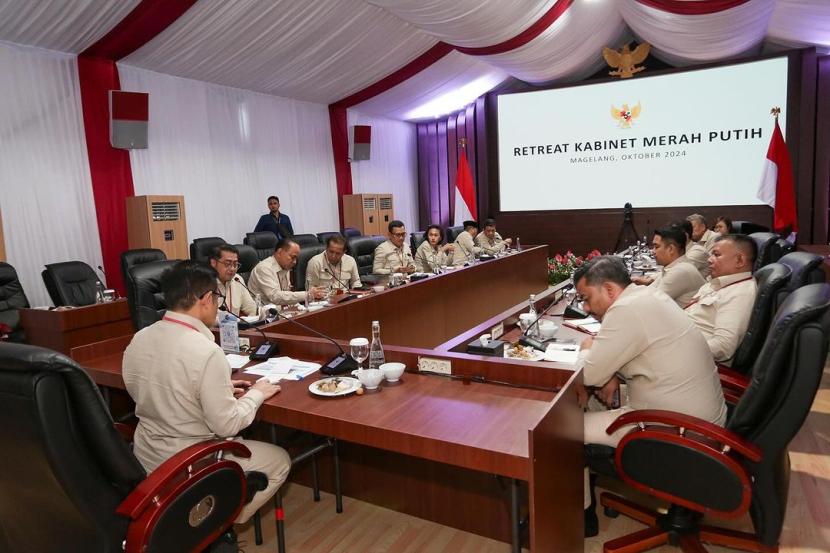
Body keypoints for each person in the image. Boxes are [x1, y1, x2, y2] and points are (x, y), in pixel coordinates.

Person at [122, 261, 290, 529]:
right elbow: (227, 425)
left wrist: (217, 392)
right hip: (191, 460)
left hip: (147, 457)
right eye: (217, 299)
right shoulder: (206, 352)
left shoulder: (139, 338)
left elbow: (148, 391)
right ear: (208, 299)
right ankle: (220, 524)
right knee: (280, 460)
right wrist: (256, 394)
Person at [573, 256, 726, 536]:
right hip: (697, 417)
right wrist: (611, 372)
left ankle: (581, 518)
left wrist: (587, 347)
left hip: (675, 429)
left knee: (559, 431)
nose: (584, 307)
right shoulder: (647, 295)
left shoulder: (625, 311)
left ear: (608, 289)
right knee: (589, 402)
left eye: (586, 298)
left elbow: (588, 375)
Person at [685, 234, 757, 366]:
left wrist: (674, 345)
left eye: (716, 255)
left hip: (690, 362)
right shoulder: (718, 282)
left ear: (740, 261)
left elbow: (722, 347)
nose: (709, 260)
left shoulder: (740, 293)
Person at [631, 227, 705, 307]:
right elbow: (650, 291)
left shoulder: (681, 270)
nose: (653, 251)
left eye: (656, 247)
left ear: (671, 249)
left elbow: (652, 302)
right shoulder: (674, 267)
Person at [248, 238, 326, 306]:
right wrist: (307, 294)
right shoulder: (264, 268)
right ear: (279, 252)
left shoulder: (285, 266)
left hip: (282, 313)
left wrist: (301, 308)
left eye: (296, 258)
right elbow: (275, 297)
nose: (295, 262)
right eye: (292, 257)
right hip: (264, 316)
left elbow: (286, 295)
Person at [210, 244, 257, 317]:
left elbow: (251, 308)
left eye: (235, 264)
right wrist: (234, 321)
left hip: (237, 327)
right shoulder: (204, 284)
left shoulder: (237, 279)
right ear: (213, 263)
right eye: (228, 264)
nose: (232, 269)